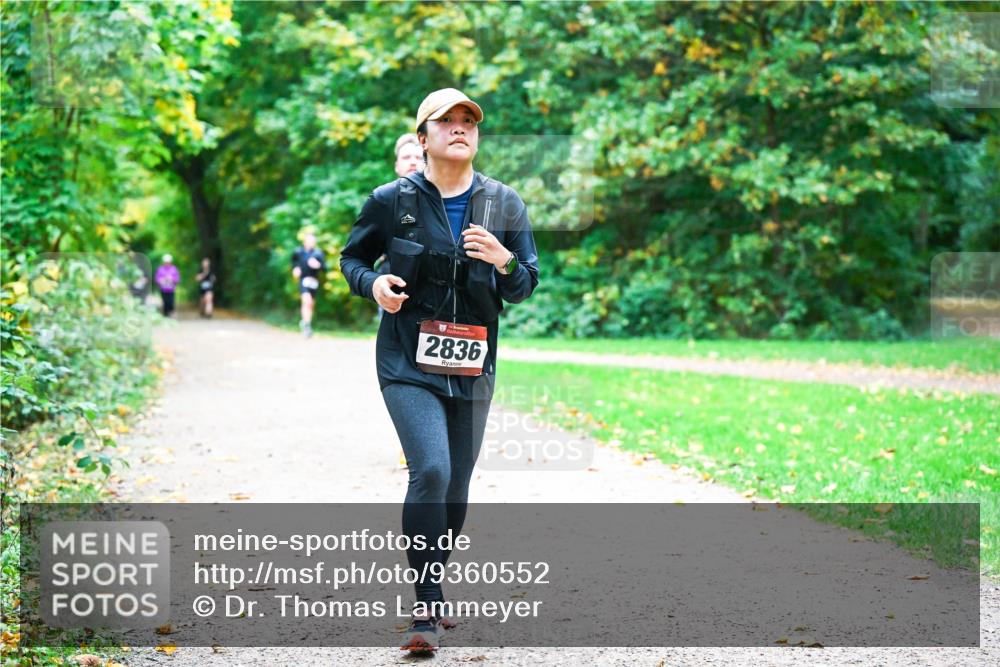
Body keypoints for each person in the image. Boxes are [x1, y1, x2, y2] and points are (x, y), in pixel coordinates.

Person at [340, 88, 539, 652]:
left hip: (474, 362)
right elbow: (352, 258)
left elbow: (526, 283)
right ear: (422, 138)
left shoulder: (504, 203)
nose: (459, 129)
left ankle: (433, 583)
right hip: (407, 357)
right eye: (445, 122)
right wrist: (373, 284)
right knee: (429, 469)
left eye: (468, 122)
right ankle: (425, 609)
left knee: (456, 485)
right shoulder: (390, 199)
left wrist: (502, 260)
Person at [290, 232, 326, 337]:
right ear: (305, 241)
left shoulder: (318, 253)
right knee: (307, 301)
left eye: (313, 241)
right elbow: (294, 262)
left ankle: (306, 323)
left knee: (310, 305)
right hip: (303, 280)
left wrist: (318, 265)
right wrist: (295, 269)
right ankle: (307, 326)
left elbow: (324, 268)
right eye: (310, 240)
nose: (312, 243)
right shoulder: (298, 252)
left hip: (314, 281)